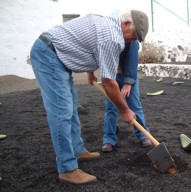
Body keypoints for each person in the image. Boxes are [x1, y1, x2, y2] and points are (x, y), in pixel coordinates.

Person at [30, 9, 149, 185]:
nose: (132, 41)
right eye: (133, 36)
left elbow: (85, 44)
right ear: (125, 24)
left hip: (58, 56)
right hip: (49, 55)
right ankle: (67, 169)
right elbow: (109, 82)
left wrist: (89, 72)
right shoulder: (112, 37)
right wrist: (125, 110)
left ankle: (78, 151)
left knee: (70, 109)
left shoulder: (107, 23)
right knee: (61, 112)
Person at [102, 40, 152, 152]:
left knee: (135, 106)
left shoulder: (132, 40)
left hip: (129, 74)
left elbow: (132, 61)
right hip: (111, 77)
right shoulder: (107, 38)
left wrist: (128, 82)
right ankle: (108, 139)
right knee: (110, 108)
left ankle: (143, 136)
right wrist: (90, 72)